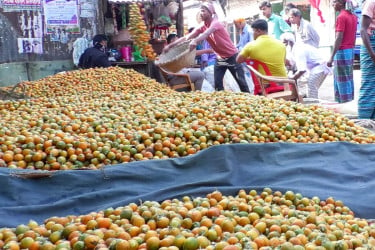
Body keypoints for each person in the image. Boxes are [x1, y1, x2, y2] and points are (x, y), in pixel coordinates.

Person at [163, 2, 250, 93]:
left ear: (210, 12)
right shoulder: (202, 26)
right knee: (218, 84)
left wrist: (195, 41)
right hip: (220, 58)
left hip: (232, 57)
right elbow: (187, 37)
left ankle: (249, 101)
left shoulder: (216, 23)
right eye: (200, 11)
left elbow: (206, 33)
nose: (201, 13)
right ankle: (221, 103)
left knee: (242, 83)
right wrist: (170, 45)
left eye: (203, 11)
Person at [281, 33, 331, 99]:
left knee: (311, 88)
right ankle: (310, 102)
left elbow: (302, 70)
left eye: (284, 43)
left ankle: (313, 105)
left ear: (289, 42)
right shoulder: (293, 49)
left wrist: (292, 79)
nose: (283, 45)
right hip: (314, 68)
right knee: (309, 88)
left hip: (319, 67)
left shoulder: (299, 50)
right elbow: (290, 63)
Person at [327, 0, 357, 103]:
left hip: (342, 51)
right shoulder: (353, 16)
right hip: (350, 50)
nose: (333, 4)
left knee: (342, 80)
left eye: (334, 2)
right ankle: (348, 101)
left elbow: (339, 38)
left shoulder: (341, 17)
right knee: (348, 78)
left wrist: (331, 57)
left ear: (340, 3)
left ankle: (344, 103)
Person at [358, 0, 375, 119]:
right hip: (371, 45)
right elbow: (363, 30)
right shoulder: (371, 3)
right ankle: (364, 120)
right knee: (369, 84)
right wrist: (372, 54)